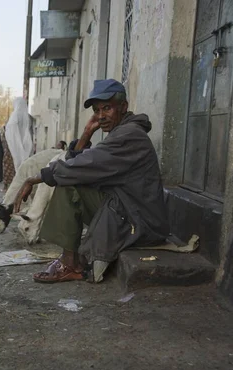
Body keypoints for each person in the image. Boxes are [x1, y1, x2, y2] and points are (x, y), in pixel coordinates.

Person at [13, 79, 169, 284]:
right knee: (70, 180)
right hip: (128, 210)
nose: (101, 116)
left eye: (107, 108)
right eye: (97, 110)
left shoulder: (128, 135)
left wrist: (35, 179)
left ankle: (70, 264)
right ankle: (70, 259)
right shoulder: (120, 132)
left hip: (139, 222)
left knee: (69, 187)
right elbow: (79, 162)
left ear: (123, 107)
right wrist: (86, 134)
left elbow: (83, 165)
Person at [5, 98, 34, 170]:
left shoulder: (14, 116)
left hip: (13, 146)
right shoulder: (29, 117)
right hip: (27, 146)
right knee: (26, 166)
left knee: (15, 165)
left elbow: (10, 132)